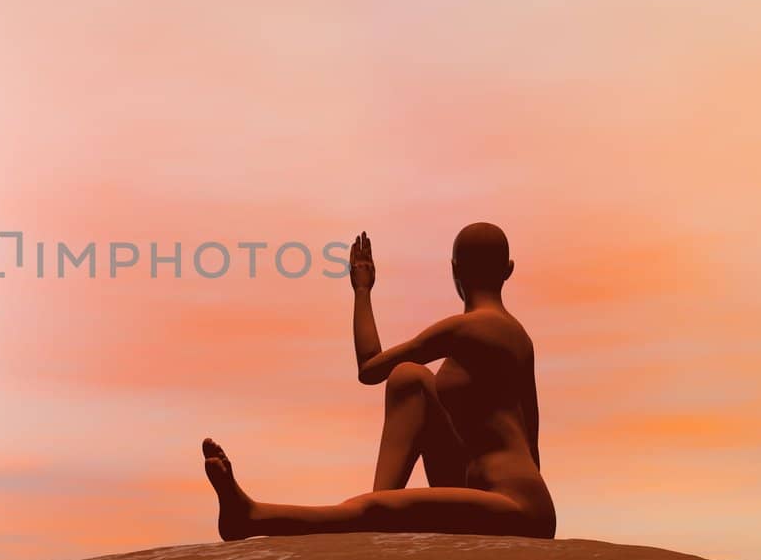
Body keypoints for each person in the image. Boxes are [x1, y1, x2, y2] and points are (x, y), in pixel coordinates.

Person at [202, 222, 557, 541]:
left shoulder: (468, 327)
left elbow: (370, 367)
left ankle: (253, 516)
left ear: (454, 271)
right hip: (492, 492)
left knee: (379, 509)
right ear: (508, 271)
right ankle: (378, 509)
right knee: (411, 378)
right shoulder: (518, 337)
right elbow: (533, 442)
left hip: (516, 507)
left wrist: (362, 289)